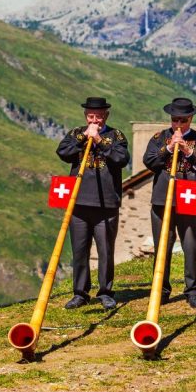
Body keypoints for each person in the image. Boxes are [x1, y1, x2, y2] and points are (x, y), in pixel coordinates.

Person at [56, 97, 131, 310]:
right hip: (78, 203)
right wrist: (83, 138)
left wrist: (98, 140)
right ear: (85, 115)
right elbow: (63, 152)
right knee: (80, 250)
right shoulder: (76, 133)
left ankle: (106, 292)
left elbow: (121, 159)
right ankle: (80, 293)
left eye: (98, 116)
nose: (94, 120)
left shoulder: (116, 136)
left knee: (105, 250)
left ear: (106, 115)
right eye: (91, 116)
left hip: (106, 204)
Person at [143, 97, 196, 308]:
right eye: (175, 120)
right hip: (162, 197)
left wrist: (188, 151)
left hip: (189, 195)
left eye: (183, 120)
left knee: (191, 245)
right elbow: (149, 161)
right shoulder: (159, 138)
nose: (178, 124)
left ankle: (192, 290)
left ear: (190, 119)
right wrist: (168, 149)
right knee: (162, 245)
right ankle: (161, 290)